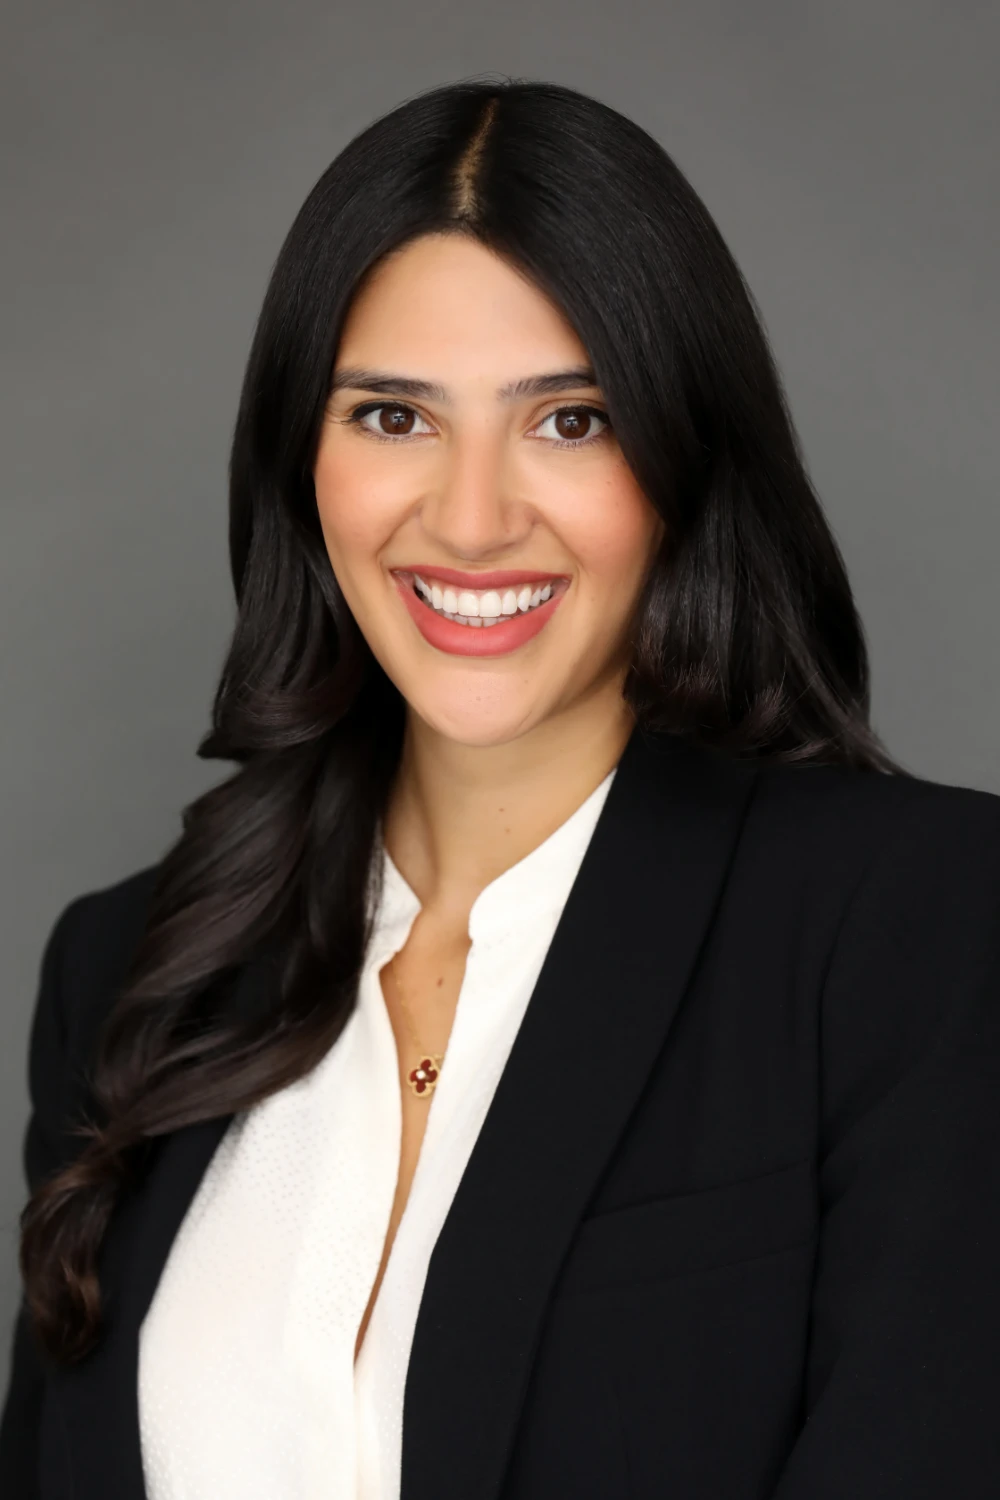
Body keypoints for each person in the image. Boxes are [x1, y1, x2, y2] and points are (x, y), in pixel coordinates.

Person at [2, 75, 999, 1500]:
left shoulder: (912, 924)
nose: (471, 521)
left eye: (571, 420)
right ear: (302, 461)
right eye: (393, 416)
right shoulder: (127, 976)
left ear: (684, 459)